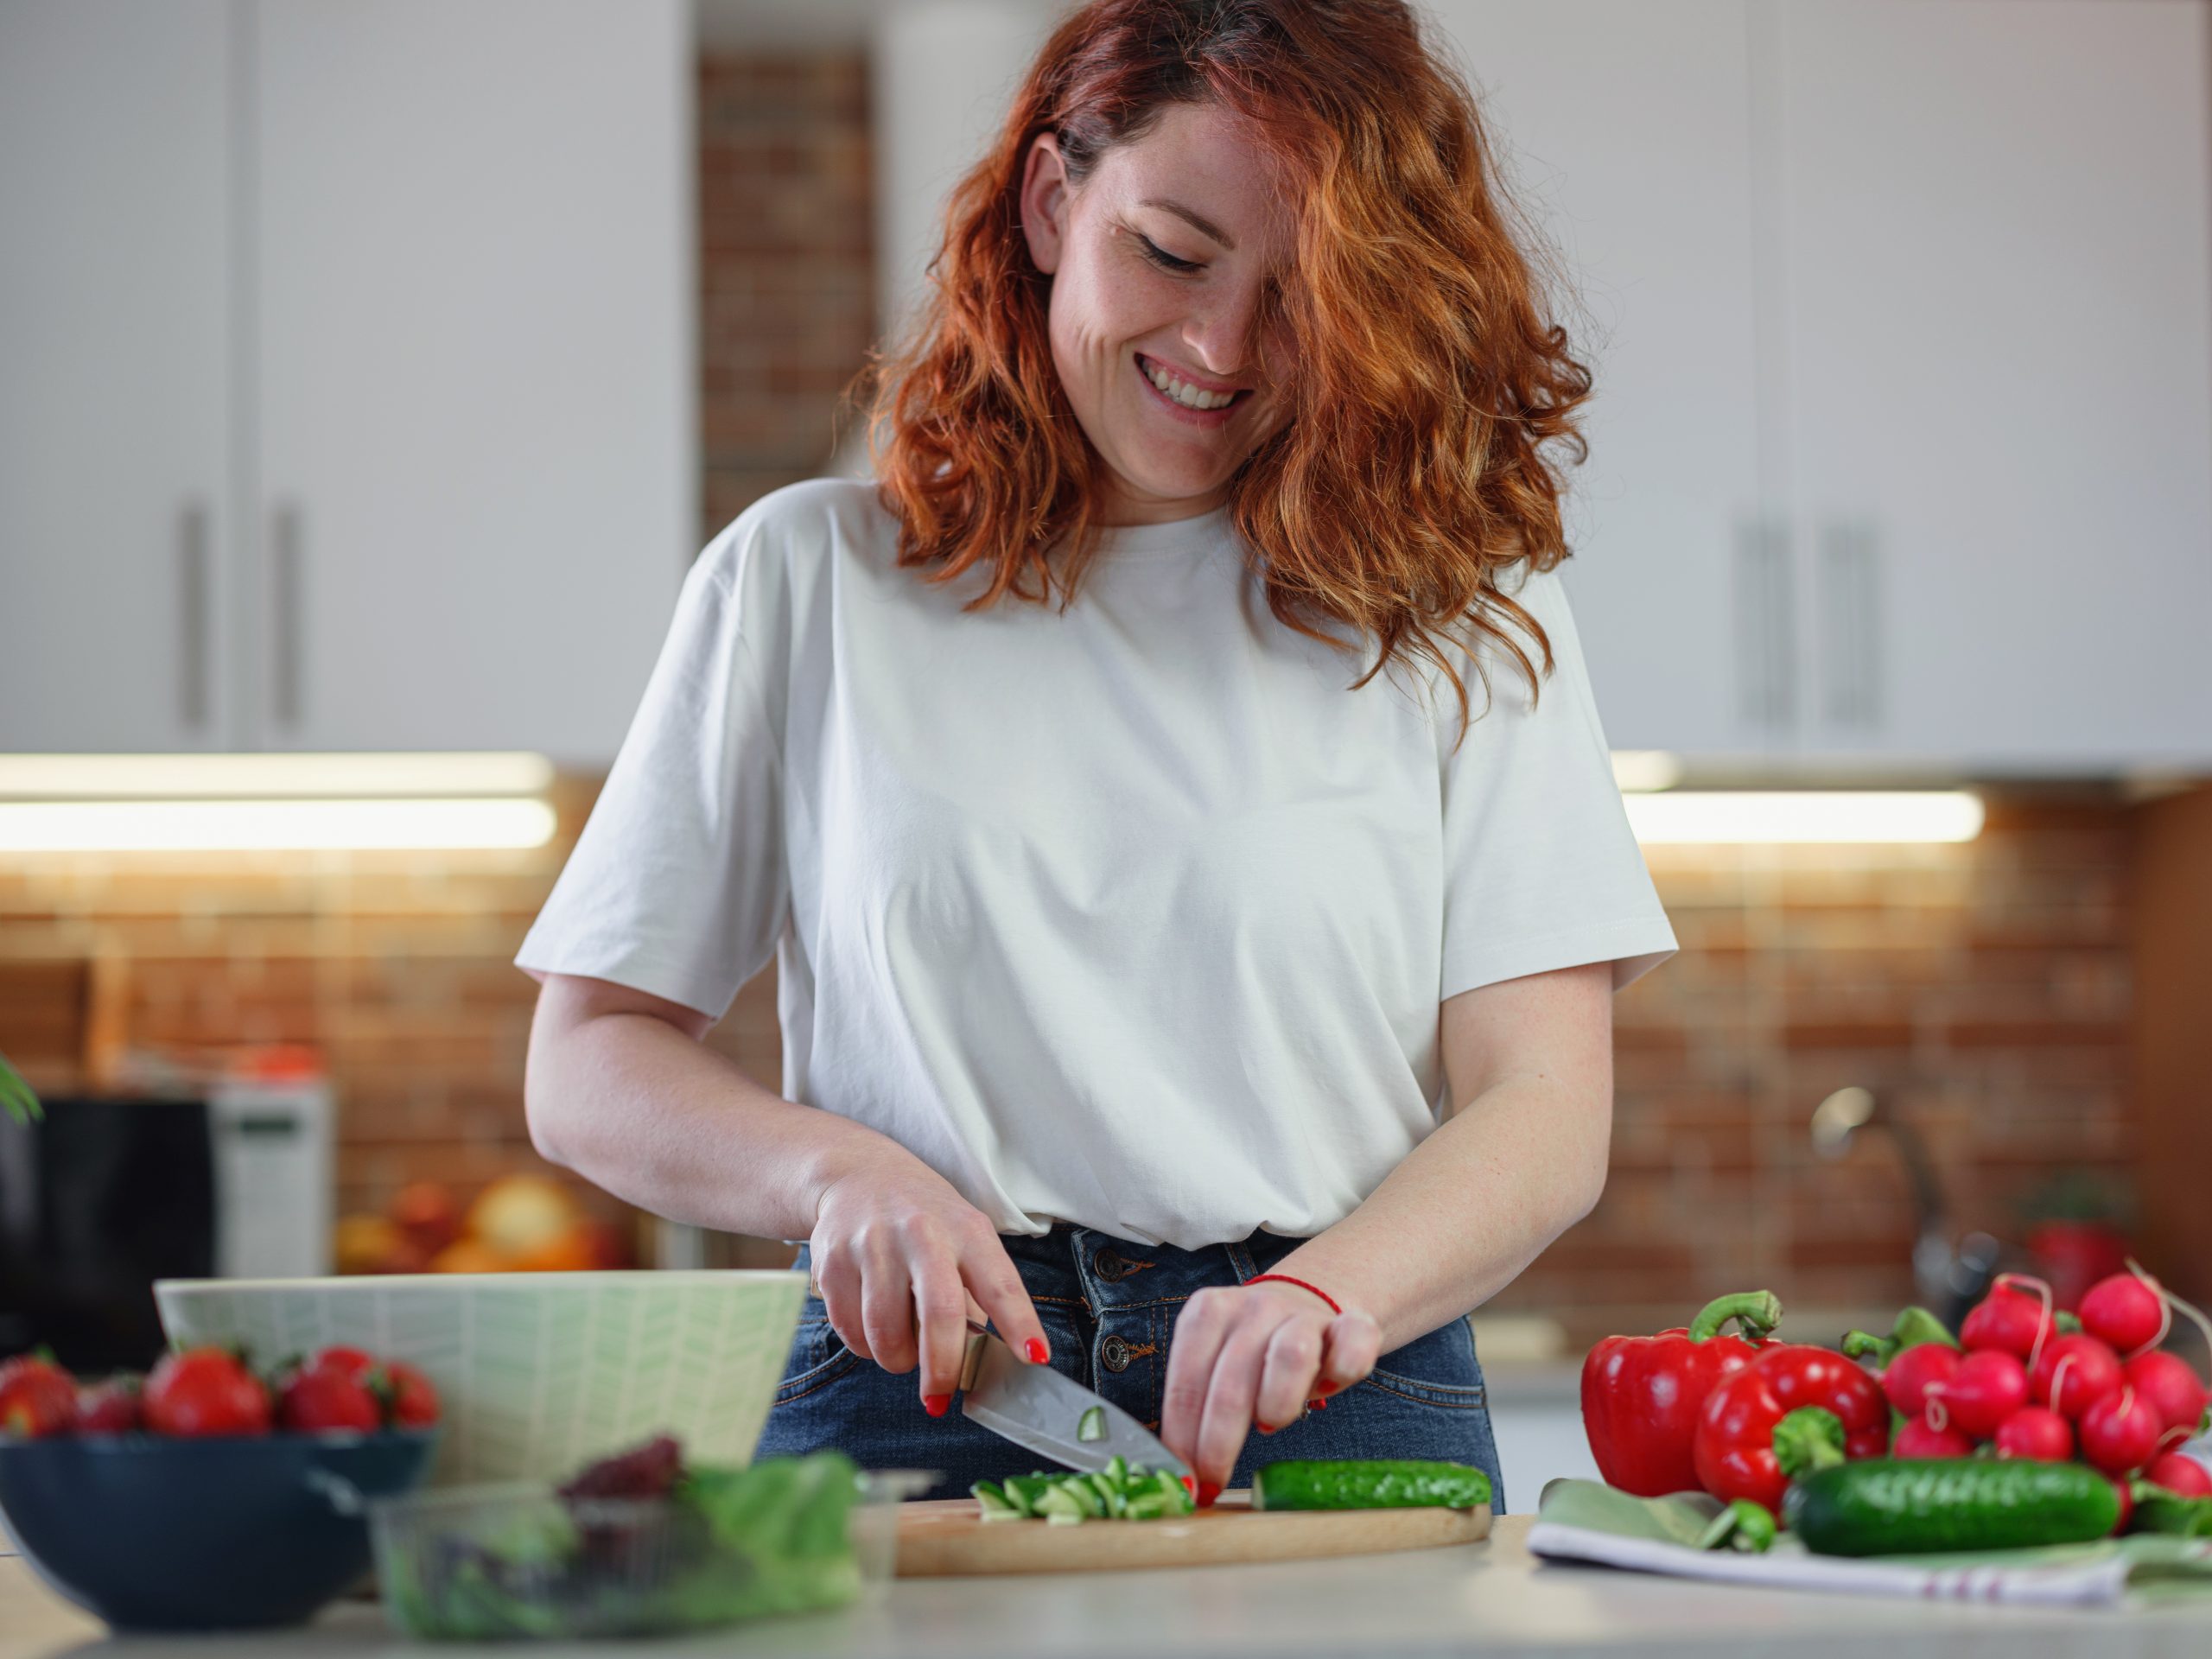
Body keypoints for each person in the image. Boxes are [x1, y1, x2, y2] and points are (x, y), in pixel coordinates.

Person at [517, 0, 1675, 1509]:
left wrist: (1330, 1300)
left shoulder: (1460, 605)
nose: (1220, 347)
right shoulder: (804, 581)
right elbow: (589, 1059)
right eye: (1175, 253)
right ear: (1055, 199)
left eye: (1302, 295)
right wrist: (832, 1175)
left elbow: (1544, 1105)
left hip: (1339, 1384)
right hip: (919, 1386)